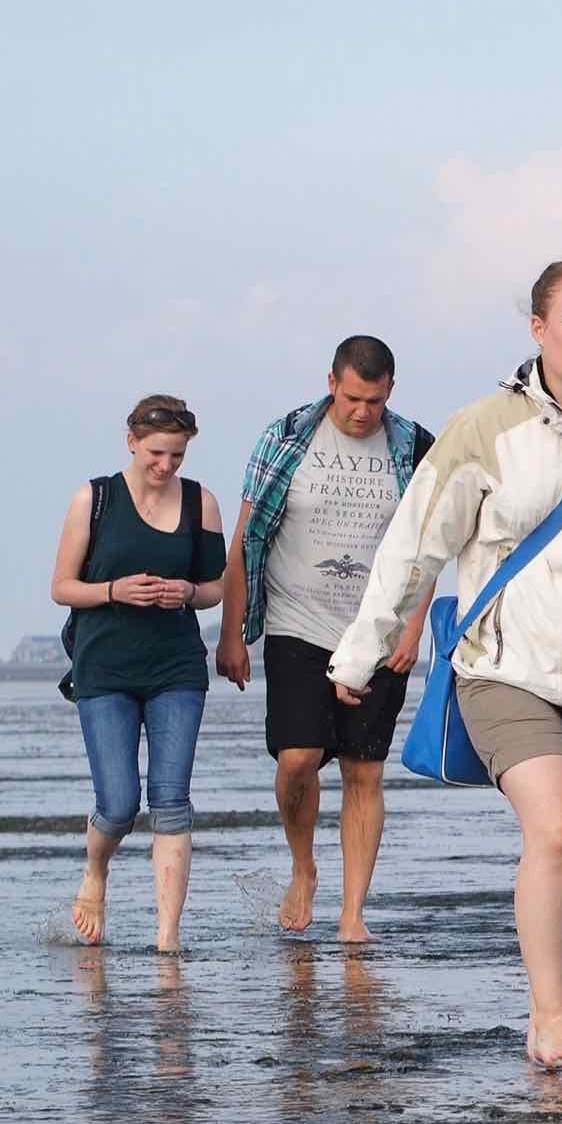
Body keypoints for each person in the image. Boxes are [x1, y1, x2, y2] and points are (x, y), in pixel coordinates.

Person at [328, 258, 562, 1070]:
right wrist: (360, 651)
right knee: (556, 829)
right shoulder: (485, 428)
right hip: (503, 667)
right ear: (538, 329)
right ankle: (549, 1013)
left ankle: (554, 1006)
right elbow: (414, 545)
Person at [216, 337, 436, 942]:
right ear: (331, 382)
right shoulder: (287, 437)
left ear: (390, 390)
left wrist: (413, 628)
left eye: (373, 399)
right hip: (297, 622)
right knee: (298, 760)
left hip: (378, 629)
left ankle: (352, 912)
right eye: (351, 397)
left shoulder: (415, 446)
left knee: (364, 771)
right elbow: (246, 539)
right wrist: (233, 633)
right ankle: (304, 867)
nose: (361, 411)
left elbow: (430, 547)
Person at [50, 396, 229, 952]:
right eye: (156, 452)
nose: (165, 465)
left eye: (176, 454)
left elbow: (216, 587)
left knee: (171, 799)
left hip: (176, 668)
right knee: (121, 803)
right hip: (104, 669)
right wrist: (113, 591)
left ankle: (168, 938)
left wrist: (189, 593)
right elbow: (61, 587)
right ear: (131, 441)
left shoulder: (202, 502)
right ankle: (95, 875)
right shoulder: (94, 498)